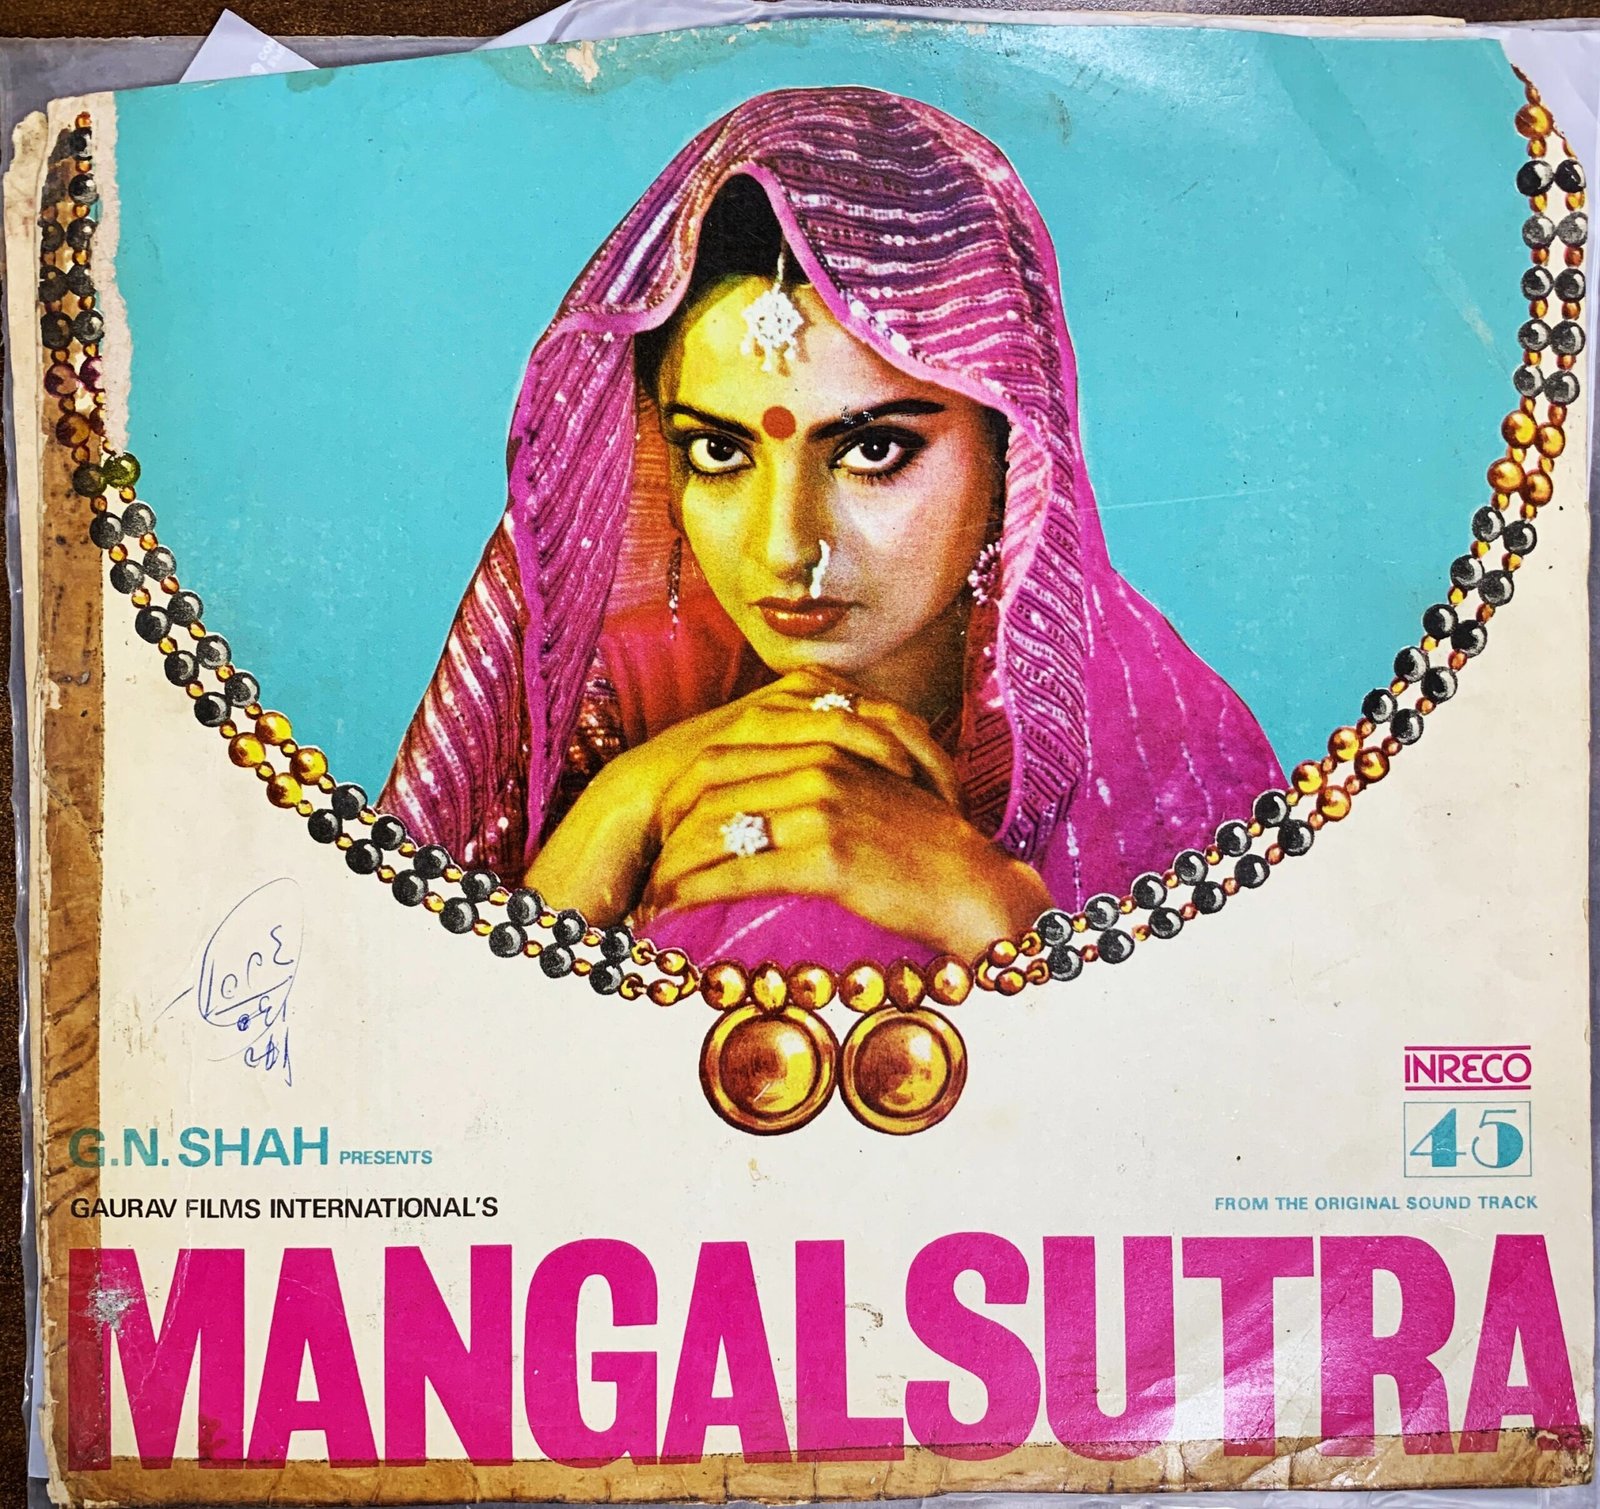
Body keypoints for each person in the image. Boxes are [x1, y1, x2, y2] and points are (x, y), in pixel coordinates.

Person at [380, 86, 1284, 969]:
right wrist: (619, 805)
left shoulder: (1171, 756)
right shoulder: (617, 701)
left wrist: (999, 917)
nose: (786, 548)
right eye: (718, 452)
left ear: (1013, 450)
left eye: (872, 450)